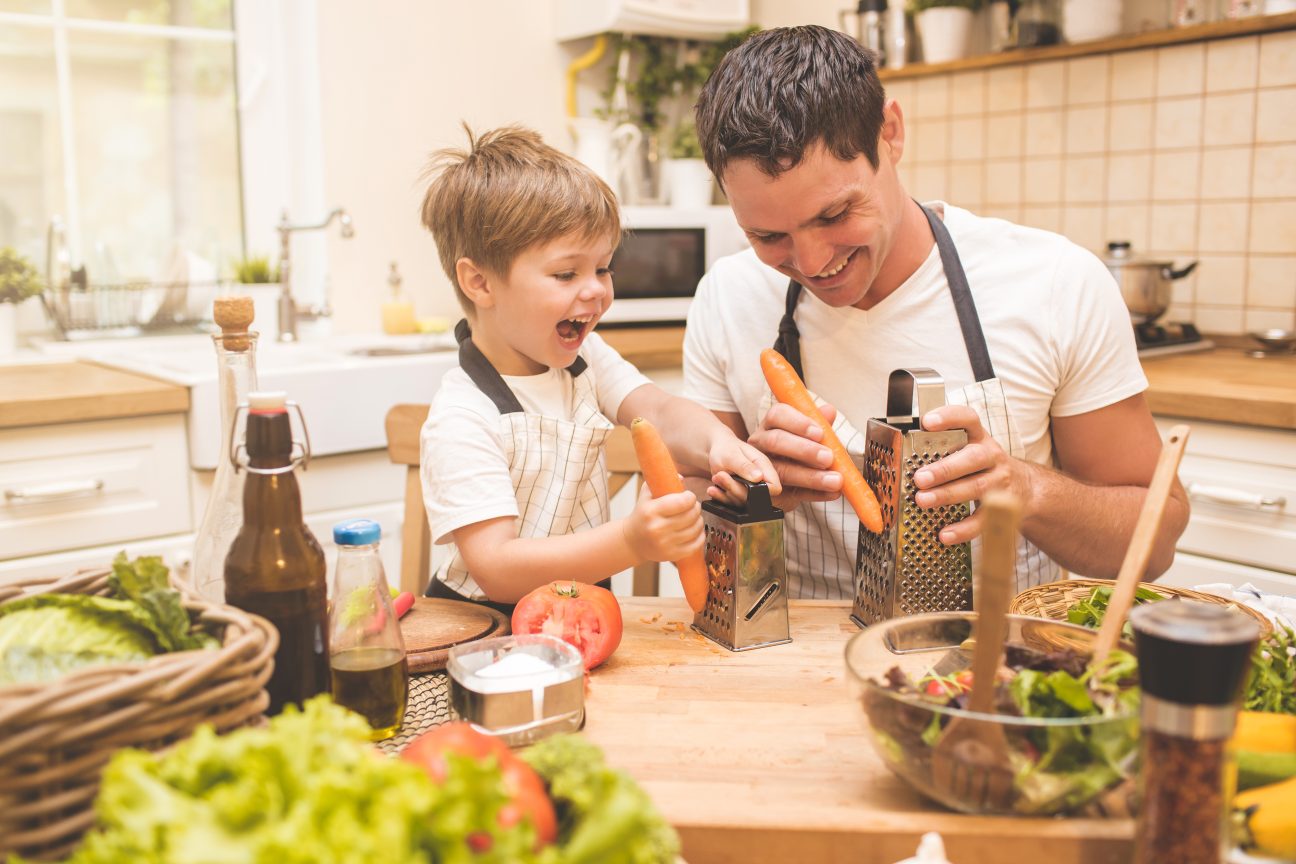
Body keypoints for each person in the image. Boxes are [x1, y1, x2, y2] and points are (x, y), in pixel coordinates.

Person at [685, 25, 1189, 600]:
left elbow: (1156, 544)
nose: (813, 260)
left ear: (890, 135)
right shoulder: (727, 296)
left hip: (996, 660)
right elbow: (685, 529)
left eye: (834, 215)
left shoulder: (1054, 282)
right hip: (797, 662)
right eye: (769, 235)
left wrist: (1028, 490)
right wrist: (750, 496)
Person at [417, 125, 777, 611]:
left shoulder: (585, 360)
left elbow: (659, 411)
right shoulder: (463, 416)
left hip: (577, 614)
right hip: (483, 631)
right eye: (566, 274)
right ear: (480, 282)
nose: (596, 291)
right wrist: (630, 542)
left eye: (603, 268)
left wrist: (718, 443)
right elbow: (497, 568)